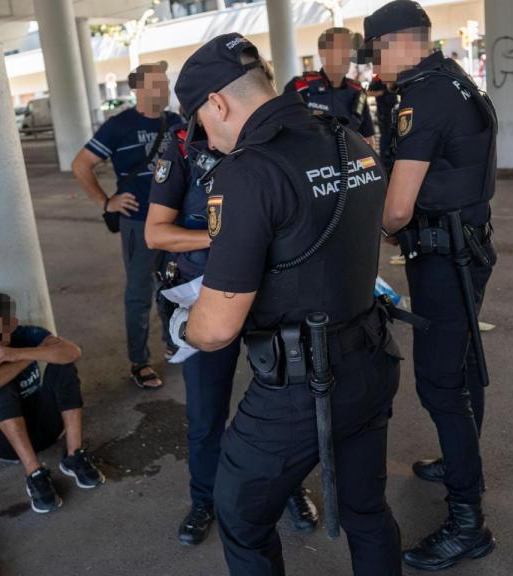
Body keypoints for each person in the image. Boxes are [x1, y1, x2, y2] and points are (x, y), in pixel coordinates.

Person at [168, 33, 403, 575]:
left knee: (241, 518)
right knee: (367, 510)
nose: (207, 136)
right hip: (370, 358)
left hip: (297, 390)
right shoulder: (348, 138)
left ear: (217, 104)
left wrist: (187, 326)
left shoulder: (247, 171)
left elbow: (217, 328)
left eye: (201, 121)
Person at [366, 1, 498, 570]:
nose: (375, 65)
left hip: (444, 257)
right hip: (467, 244)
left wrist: (378, 226)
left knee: (441, 386)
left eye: (375, 52)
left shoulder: (422, 97)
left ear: (397, 43)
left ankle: (468, 522)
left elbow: (396, 208)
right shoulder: (456, 79)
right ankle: (458, 457)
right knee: (464, 366)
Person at [145, 118, 318, 545]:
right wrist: (223, 238)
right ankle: (205, 499)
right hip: (206, 295)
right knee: (206, 412)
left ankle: (289, 490)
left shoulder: (275, 141)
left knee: (286, 405)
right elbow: (156, 232)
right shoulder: (184, 147)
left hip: (273, 292)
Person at [72, 62, 183, 391]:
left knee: (173, 285)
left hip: (174, 222)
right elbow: (82, 165)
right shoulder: (119, 126)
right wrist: (106, 202)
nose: (163, 88)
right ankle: (140, 361)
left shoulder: (175, 121)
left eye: (164, 81)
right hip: (138, 224)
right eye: (157, 82)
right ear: (138, 88)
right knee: (139, 294)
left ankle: (174, 342)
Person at [0, 293, 104, 514]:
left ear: (13, 325)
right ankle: (34, 473)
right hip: (4, 443)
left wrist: (17, 353)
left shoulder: (28, 334)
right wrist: (29, 357)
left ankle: (74, 455)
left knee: (63, 364)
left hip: (44, 428)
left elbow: (73, 352)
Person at [285, 27, 376, 148]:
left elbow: (369, 139)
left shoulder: (357, 92)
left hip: (349, 162)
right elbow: (283, 133)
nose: (346, 55)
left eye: (348, 50)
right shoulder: (300, 87)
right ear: (322, 52)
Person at [366, 76, 398, 167]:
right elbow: (368, 92)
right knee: (385, 136)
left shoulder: (395, 76)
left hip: (395, 110)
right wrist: (380, 93)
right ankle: (383, 161)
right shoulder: (377, 79)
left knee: (394, 135)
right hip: (383, 112)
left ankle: (393, 158)